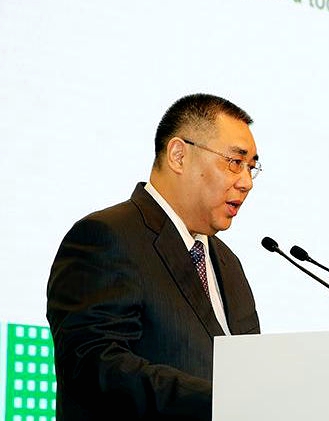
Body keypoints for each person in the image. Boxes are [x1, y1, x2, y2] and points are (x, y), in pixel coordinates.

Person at [46, 93, 262, 420]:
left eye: (251, 167)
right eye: (235, 162)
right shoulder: (106, 236)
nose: (246, 182)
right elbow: (93, 364)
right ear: (178, 155)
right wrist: (218, 400)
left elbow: (249, 374)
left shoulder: (227, 263)